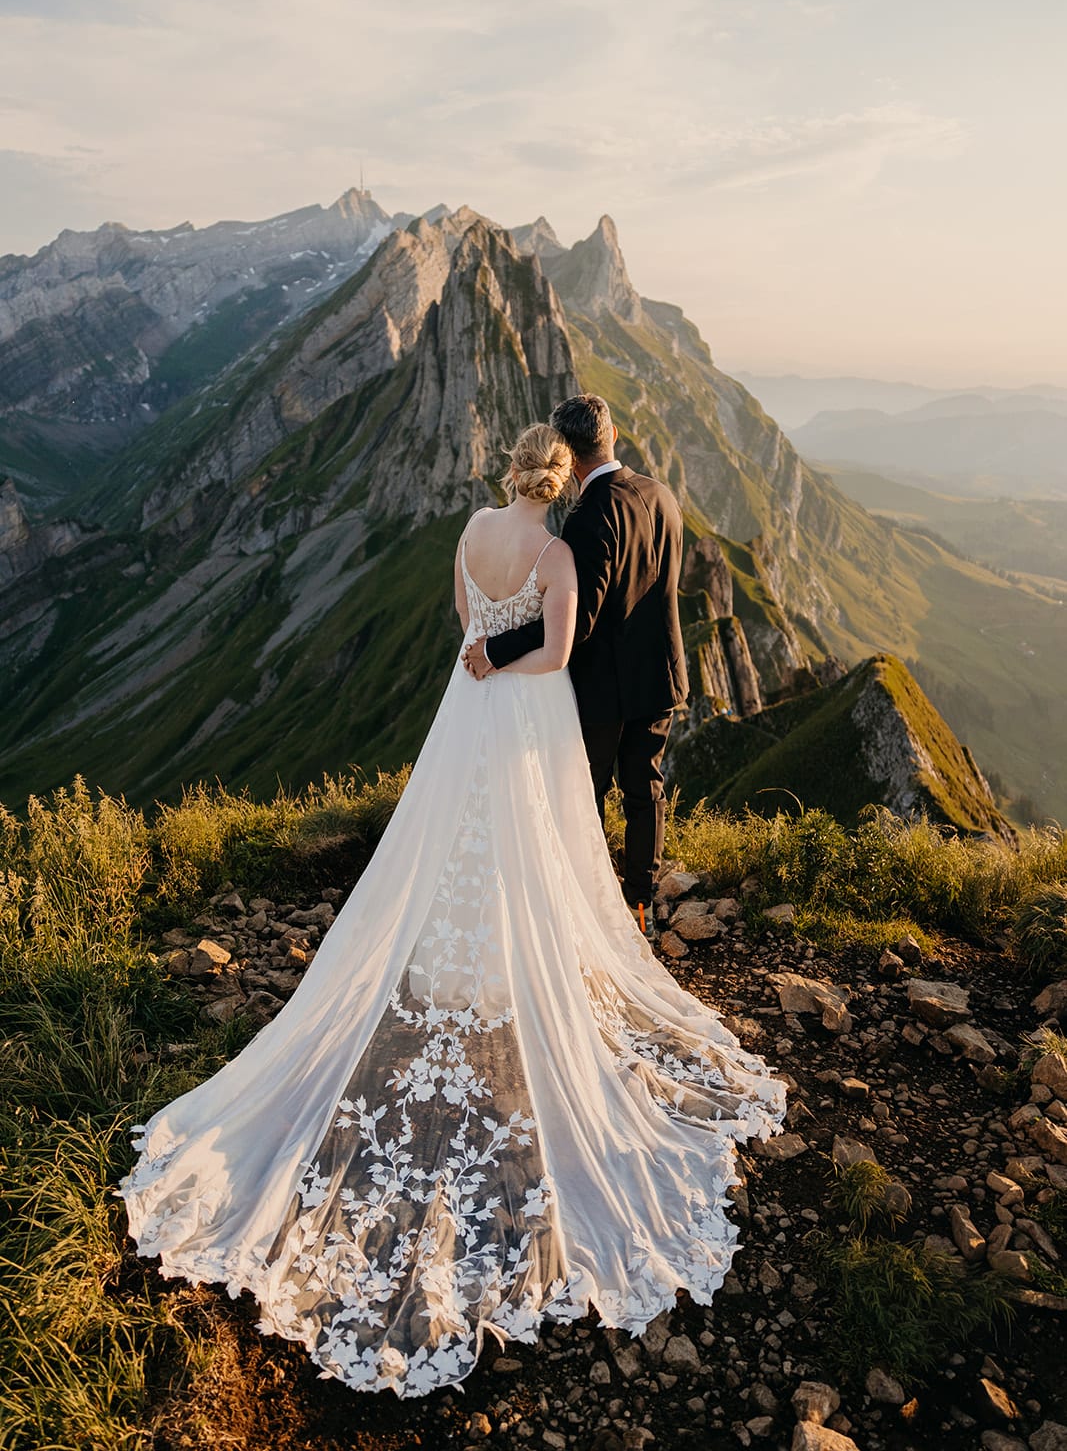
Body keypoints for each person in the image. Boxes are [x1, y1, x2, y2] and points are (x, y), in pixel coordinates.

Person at [116, 422, 786, 1401]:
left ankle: (445, 960)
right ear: (557, 484)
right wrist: (505, 656)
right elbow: (556, 647)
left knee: (458, 831)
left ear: (509, 471)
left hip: (467, 706)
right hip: (526, 705)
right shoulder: (557, 549)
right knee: (532, 841)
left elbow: (462, 617)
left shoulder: (472, 528)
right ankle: (508, 968)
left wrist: (479, 657)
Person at [462, 395, 687, 932]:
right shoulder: (661, 495)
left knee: (586, 790)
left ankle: (583, 905)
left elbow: (578, 622)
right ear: (612, 434)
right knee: (645, 787)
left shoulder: (590, 518)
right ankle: (640, 900)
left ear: (568, 454)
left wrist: (496, 649)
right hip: (660, 674)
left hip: (605, 686)